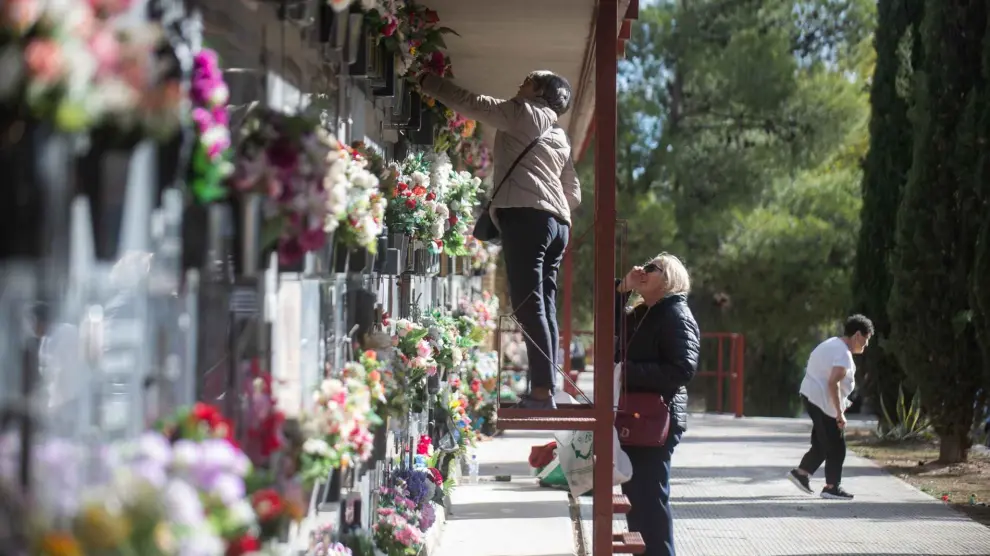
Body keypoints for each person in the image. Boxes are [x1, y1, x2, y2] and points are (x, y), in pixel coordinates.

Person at [418, 70, 581, 409]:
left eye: (527, 79)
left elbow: (474, 104)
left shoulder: (523, 112)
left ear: (538, 90)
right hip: (558, 225)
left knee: (526, 304)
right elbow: (574, 192)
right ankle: (544, 386)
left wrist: (427, 80)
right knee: (544, 304)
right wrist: (549, 203)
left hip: (527, 217)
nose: (520, 82)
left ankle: (541, 391)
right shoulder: (559, 135)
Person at [615, 253, 700, 556]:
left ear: (669, 280)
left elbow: (682, 370)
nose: (643, 270)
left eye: (652, 268)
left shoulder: (675, 314)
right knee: (637, 500)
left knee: (650, 500)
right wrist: (622, 288)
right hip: (638, 417)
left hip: (656, 420)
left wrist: (628, 371)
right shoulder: (642, 313)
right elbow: (611, 331)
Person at [788, 314, 873, 500]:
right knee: (836, 446)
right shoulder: (843, 353)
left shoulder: (831, 343)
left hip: (812, 397)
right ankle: (831, 487)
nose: (865, 345)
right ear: (857, 335)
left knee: (822, 442)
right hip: (824, 402)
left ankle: (801, 474)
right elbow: (833, 382)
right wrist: (839, 413)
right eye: (866, 340)